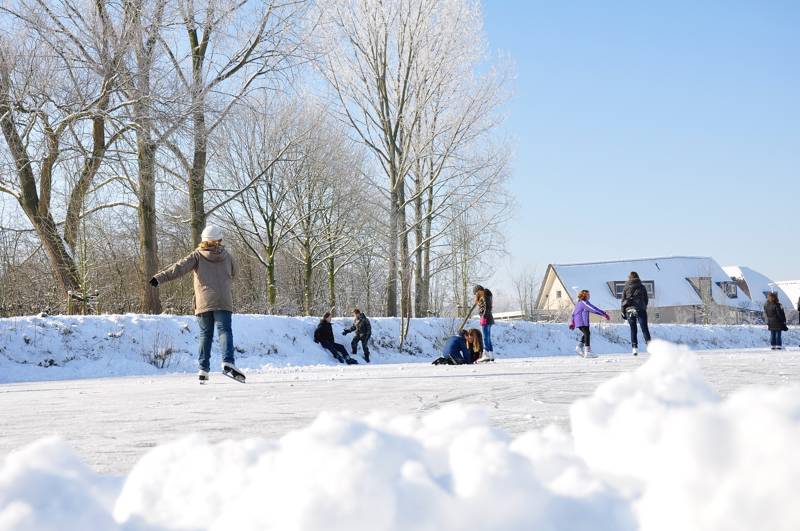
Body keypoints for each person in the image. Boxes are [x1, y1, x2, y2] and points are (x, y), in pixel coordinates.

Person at [150, 225, 244, 383]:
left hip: (204, 301)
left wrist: (158, 278)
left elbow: (178, 268)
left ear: (203, 240)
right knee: (224, 331)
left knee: (205, 335)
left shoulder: (197, 256)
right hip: (223, 300)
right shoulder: (227, 256)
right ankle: (228, 362)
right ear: (219, 239)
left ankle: (203, 370)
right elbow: (235, 272)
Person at [569, 290, 610, 358]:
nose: (589, 296)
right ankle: (587, 351)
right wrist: (604, 314)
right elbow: (593, 309)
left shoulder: (579, 303)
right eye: (588, 294)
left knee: (586, 333)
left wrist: (572, 322)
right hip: (581, 321)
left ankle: (579, 347)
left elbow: (573, 313)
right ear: (584, 295)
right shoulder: (583, 303)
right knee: (587, 333)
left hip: (583, 321)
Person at [621, 271, 651, 356]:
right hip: (640, 309)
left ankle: (634, 349)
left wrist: (623, 311)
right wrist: (643, 306)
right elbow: (646, 300)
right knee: (644, 329)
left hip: (629, 310)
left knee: (633, 329)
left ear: (629, 277)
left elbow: (623, 300)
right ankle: (650, 347)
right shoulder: (642, 287)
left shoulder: (626, 287)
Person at [473, 285, 495, 362]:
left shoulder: (483, 296)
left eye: (475, 293)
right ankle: (491, 354)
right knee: (488, 337)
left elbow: (486, 308)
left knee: (485, 337)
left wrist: (483, 317)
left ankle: (486, 355)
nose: (476, 295)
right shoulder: (487, 295)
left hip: (486, 319)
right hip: (489, 319)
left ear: (478, 291)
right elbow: (488, 307)